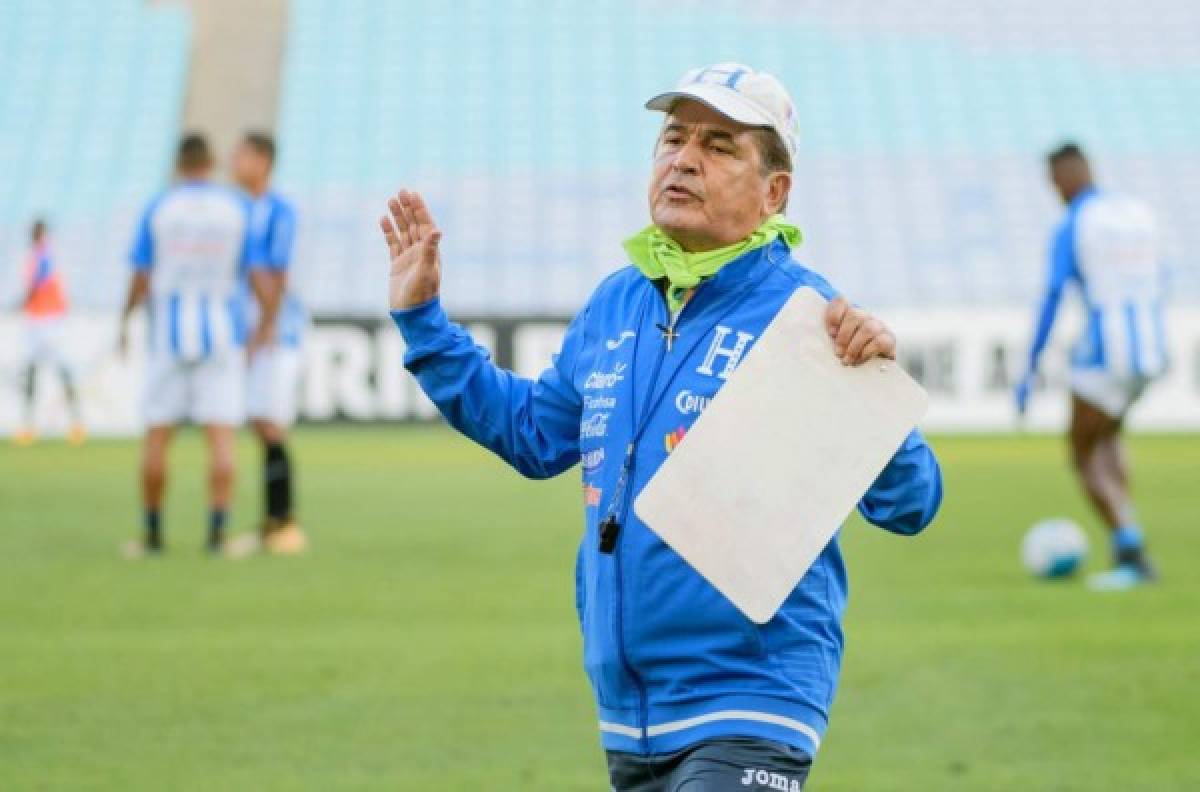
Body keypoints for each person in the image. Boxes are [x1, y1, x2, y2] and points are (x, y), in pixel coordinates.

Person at [383, 63, 943, 790]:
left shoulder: (808, 316)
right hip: (629, 710)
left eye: (719, 145)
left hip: (753, 699)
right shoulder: (617, 303)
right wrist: (424, 323)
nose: (683, 158)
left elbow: (911, 503)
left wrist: (879, 397)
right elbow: (532, 435)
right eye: (673, 138)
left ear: (775, 193)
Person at [1016, 142, 1165, 590]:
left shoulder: (1076, 223)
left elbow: (1053, 294)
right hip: (1150, 350)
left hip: (1105, 355)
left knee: (1082, 452)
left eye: (1055, 181)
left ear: (1067, 174)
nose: (1055, 191)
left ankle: (1132, 550)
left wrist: (1030, 367)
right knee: (1109, 438)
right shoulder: (1136, 214)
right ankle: (1126, 542)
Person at [118, 133, 276, 556]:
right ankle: (217, 536)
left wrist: (124, 319)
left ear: (179, 166)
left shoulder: (159, 207)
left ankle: (152, 536)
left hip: (167, 336)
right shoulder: (234, 208)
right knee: (222, 437)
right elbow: (258, 273)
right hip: (221, 333)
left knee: (157, 436)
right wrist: (267, 324)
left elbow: (140, 273)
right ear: (211, 165)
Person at [226, 130, 308, 556]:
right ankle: (273, 522)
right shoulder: (240, 208)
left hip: (277, 334)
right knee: (261, 422)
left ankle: (285, 522)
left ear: (262, 160)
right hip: (254, 333)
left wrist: (266, 327)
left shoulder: (278, 211)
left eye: (240, 154)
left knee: (271, 423)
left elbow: (277, 272)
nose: (233, 161)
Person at [13, 219, 84, 446]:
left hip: (51, 320)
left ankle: (75, 423)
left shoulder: (43, 256)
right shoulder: (37, 256)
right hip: (36, 319)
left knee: (61, 370)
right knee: (32, 371)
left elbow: (36, 285)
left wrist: (20, 301)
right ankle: (29, 425)